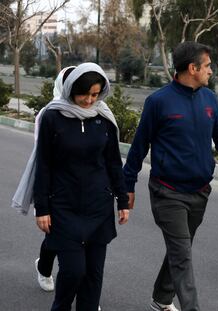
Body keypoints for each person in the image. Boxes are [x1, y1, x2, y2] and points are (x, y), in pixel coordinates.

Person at [123, 41, 218, 311]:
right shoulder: (158, 102)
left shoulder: (209, 99)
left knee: (180, 250)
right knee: (182, 254)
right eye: (207, 67)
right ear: (192, 68)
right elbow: (139, 146)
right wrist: (128, 185)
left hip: (200, 191)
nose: (211, 72)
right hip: (167, 192)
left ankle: (161, 298)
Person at [33, 62, 129, 310]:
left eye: (95, 94)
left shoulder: (104, 117)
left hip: (99, 206)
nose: (89, 100)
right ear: (70, 89)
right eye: (84, 94)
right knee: (74, 271)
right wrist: (42, 208)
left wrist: (122, 199)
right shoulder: (52, 117)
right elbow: (43, 165)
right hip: (64, 206)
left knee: (93, 276)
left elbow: (113, 162)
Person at [34, 66, 76, 293]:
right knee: (55, 236)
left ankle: (84, 292)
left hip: (81, 187)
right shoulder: (48, 114)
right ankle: (44, 267)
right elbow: (43, 156)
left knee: (78, 241)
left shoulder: (92, 111)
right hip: (55, 186)